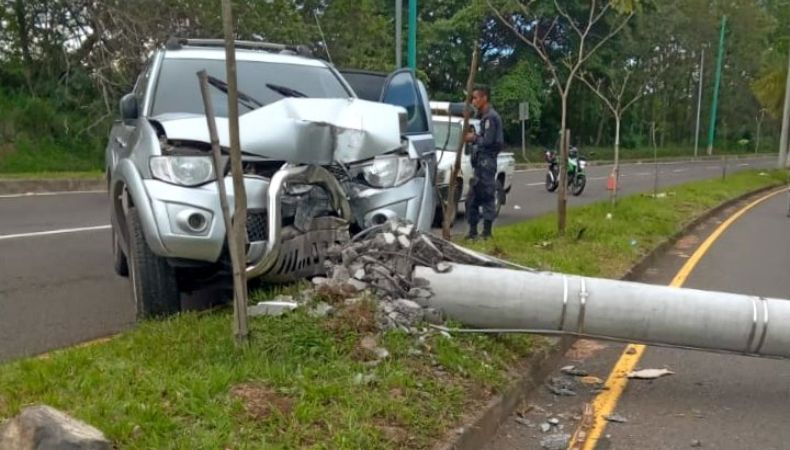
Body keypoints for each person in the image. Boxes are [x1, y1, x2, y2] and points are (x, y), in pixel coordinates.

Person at [463, 86, 504, 240]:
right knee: (472, 197)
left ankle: (487, 232)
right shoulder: (484, 117)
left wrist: (473, 137)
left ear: (484, 98)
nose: (474, 102)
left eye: (476, 98)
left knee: (487, 195)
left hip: (487, 162)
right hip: (480, 163)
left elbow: (488, 141)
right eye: (472, 99)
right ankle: (473, 231)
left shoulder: (490, 118)